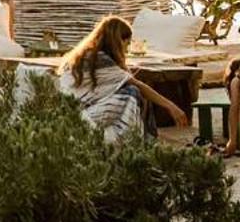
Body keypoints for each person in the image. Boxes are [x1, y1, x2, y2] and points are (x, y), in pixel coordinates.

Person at [55, 15, 186, 143]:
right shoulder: (99, 60)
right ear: (118, 40)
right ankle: (133, 141)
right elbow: (138, 85)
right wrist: (171, 106)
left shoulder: (87, 55)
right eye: (127, 44)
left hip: (76, 111)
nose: (126, 49)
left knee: (128, 92)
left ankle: (133, 138)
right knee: (131, 93)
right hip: (82, 115)